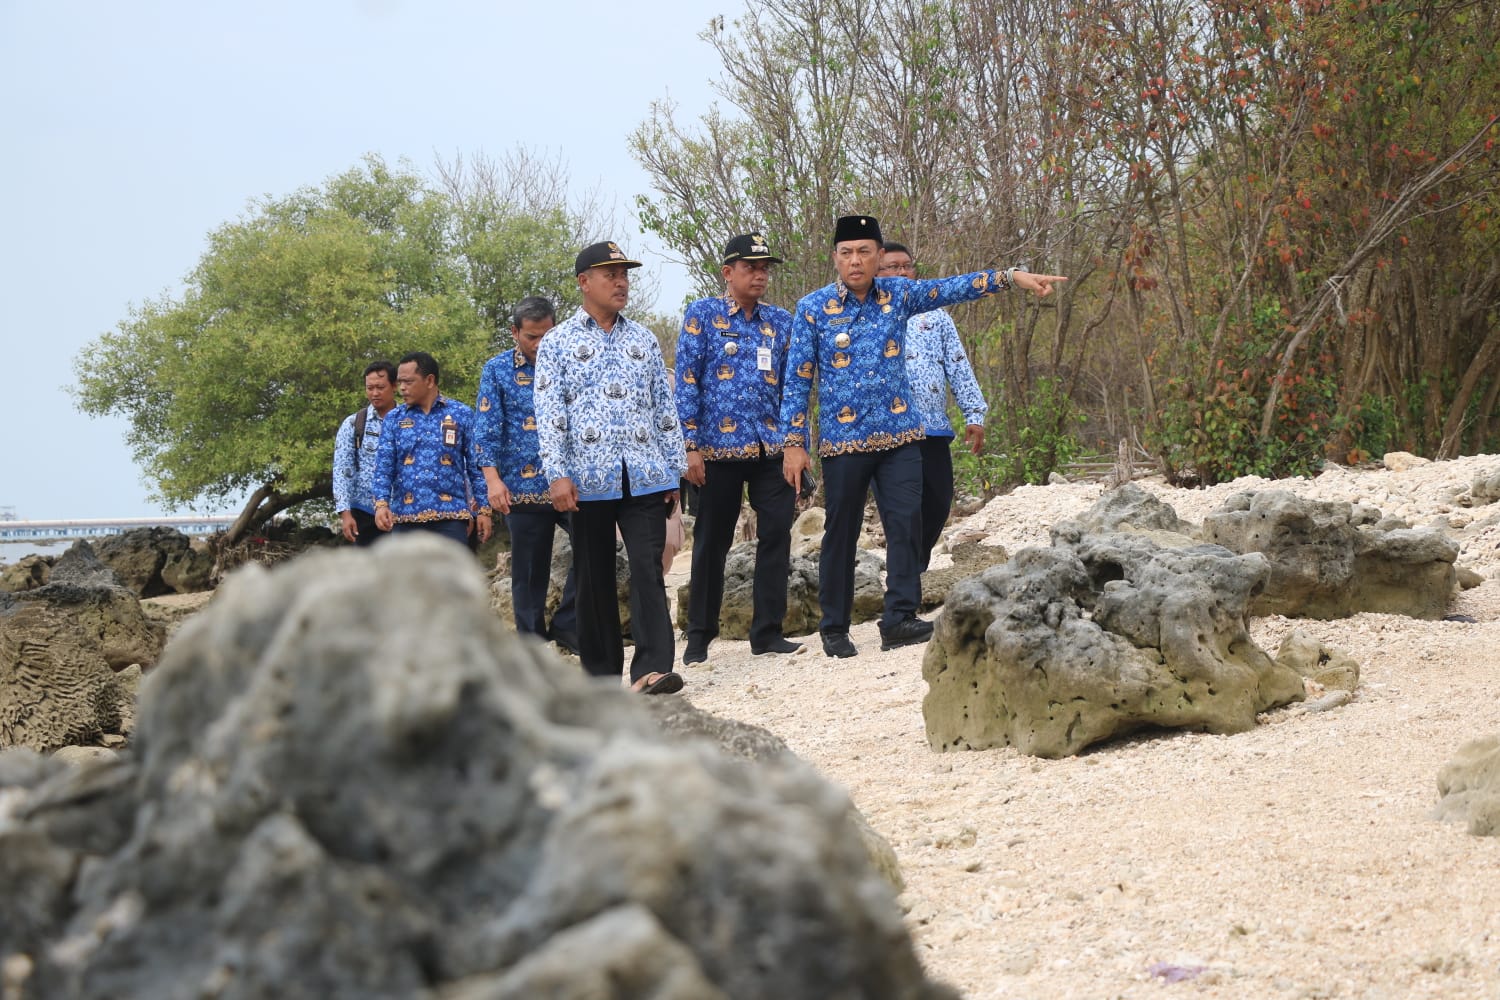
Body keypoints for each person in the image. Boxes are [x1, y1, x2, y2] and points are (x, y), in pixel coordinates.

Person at [780, 215, 1066, 658]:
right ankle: (834, 626)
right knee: (841, 532)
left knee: (907, 525)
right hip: (843, 441)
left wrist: (1011, 277)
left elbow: (955, 287)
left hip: (901, 436)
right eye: (846, 253)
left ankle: (899, 618)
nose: (855, 261)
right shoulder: (813, 308)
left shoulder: (900, 295)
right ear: (835, 258)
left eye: (864, 252)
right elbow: (797, 380)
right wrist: (794, 444)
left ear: (878, 257)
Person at [534, 241, 686, 695]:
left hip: (645, 473)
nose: (621, 282)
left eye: (625, 274)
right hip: (585, 479)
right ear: (584, 283)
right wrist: (556, 474)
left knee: (647, 567)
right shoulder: (558, 343)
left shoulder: (643, 338)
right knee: (595, 577)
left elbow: (664, 407)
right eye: (610, 274)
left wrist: (673, 469)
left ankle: (651, 670)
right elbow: (549, 412)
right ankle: (600, 679)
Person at [675, 233, 803, 664]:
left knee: (777, 534)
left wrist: (794, 444)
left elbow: (793, 389)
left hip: (771, 450)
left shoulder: (780, 322)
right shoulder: (703, 315)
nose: (760, 275)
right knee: (712, 541)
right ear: (728, 272)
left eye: (765, 268)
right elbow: (687, 381)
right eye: (751, 268)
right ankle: (699, 635)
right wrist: (689, 446)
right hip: (717, 450)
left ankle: (767, 631)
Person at [876, 242, 988, 573]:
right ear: (877, 273)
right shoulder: (870, 314)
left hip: (933, 428)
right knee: (902, 510)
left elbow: (958, 364)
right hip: (889, 432)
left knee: (938, 502)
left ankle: (915, 568)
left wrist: (974, 414)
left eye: (906, 266)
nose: (900, 273)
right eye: (891, 267)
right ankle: (905, 581)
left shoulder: (936, 317)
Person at [476, 296, 580, 654]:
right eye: (532, 337)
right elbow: (486, 430)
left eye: (546, 335)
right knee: (528, 573)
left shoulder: (572, 363)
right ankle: (532, 646)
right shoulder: (497, 369)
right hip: (520, 487)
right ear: (515, 333)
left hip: (570, 483)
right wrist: (492, 480)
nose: (540, 345)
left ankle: (568, 627)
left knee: (595, 551)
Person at [372, 351, 492, 547]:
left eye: (408, 382)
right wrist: (381, 505)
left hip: (452, 518)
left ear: (429, 380)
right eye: (400, 382)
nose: (402, 388)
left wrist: (484, 511)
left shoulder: (461, 414)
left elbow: (476, 467)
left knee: (451, 578)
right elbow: (383, 468)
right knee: (404, 578)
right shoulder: (394, 419)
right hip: (404, 519)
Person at [333, 360, 398, 547]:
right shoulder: (354, 424)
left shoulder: (408, 421)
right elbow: (341, 470)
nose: (375, 393)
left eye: (380, 387)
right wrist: (345, 514)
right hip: (364, 513)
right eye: (370, 388)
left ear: (394, 386)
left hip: (402, 512)